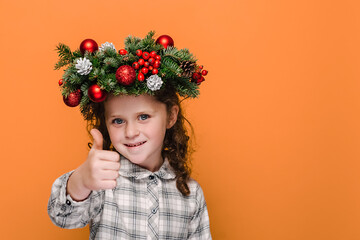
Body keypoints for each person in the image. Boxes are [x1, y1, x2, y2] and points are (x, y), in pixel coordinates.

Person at [48, 31, 211, 239]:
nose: (131, 132)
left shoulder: (190, 192)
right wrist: (82, 181)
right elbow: (63, 217)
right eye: (118, 121)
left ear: (171, 116)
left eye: (143, 116)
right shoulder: (102, 181)